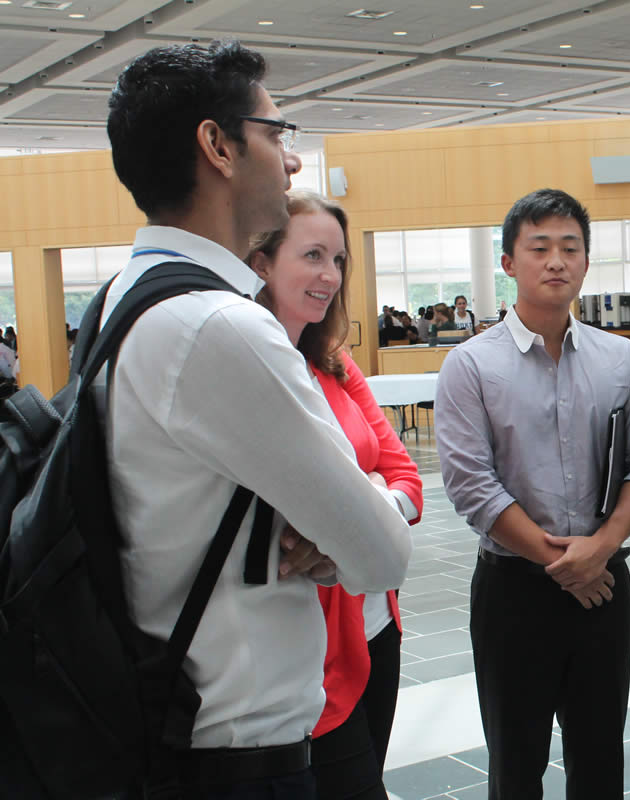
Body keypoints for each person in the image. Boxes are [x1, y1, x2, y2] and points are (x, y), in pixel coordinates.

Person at [102, 41, 412, 799]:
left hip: (170, 720)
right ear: (218, 146)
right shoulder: (220, 326)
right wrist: (340, 530)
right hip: (235, 757)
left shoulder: (126, 292)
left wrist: (331, 525)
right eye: (277, 134)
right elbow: (381, 555)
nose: (293, 160)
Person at [436, 188, 630, 799]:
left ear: (586, 262)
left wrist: (601, 548)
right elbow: (471, 484)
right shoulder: (470, 365)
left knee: (600, 761)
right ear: (509, 262)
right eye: (538, 248)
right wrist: (564, 563)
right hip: (513, 593)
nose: (556, 261)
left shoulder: (621, 358)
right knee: (516, 766)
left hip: (603, 588)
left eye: (570, 248)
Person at [248, 190, 423, 799]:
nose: (330, 275)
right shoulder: (254, 364)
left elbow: (409, 481)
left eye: (339, 259)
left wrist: (362, 502)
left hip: (378, 624)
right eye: (313, 255)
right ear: (263, 261)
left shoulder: (337, 364)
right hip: (311, 644)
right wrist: (369, 497)